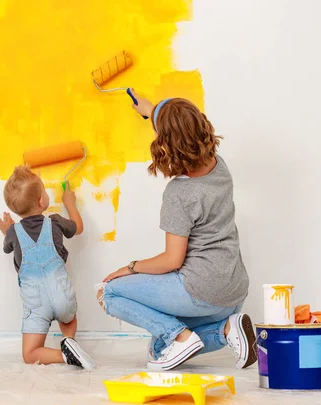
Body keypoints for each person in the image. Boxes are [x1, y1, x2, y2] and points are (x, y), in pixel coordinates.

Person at [97, 90, 257, 371]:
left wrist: (131, 267)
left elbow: (172, 261)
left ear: (165, 143)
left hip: (200, 291)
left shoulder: (180, 193)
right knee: (158, 350)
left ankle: (179, 336)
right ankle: (227, 330)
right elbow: (181, 127)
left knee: (109, 293)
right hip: (233, 292)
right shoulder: (220, 167)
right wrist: (151, 111)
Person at [0, 165, 95, 370]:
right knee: (68, 318)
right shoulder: (56, 222)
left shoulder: (13, 232)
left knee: (30, 354)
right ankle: (70, 344)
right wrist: (69, 203)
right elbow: (78, 226)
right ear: (42, 201)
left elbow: (7, 248)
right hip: (62, 297)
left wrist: (6, 231)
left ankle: (65, 356)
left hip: (36, 303)